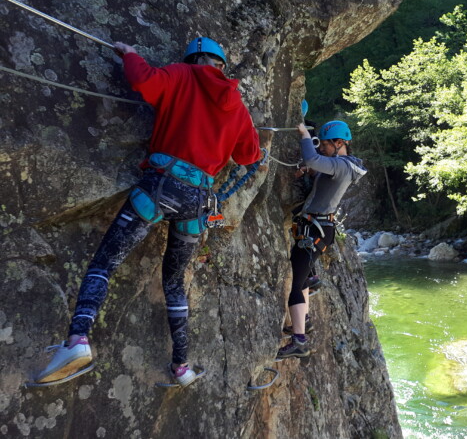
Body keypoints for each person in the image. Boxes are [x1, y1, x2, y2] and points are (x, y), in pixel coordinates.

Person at [35, 37, 261, 386]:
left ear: (193, 59)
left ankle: (77, 340)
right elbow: (248, 156)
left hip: (161, 186)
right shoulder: (237, 104)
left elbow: (144, 80)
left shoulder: (182, 74)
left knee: (104, 264)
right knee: (173, 282)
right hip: (196, 201)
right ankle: (182, 368)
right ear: (220, 65)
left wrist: (130, 53)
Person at [277, 120, 367, 359]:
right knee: (304, 278)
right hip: (316, 228)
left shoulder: (341, 165)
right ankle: (303, 322)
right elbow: (319, 168)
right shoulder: (344, 165)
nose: (322, 148)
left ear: (340, 144)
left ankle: (299, 340)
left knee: (296, 284)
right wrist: (309, 171)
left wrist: (305, 135)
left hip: (315, 230)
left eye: (326, 145)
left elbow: (313, 160)